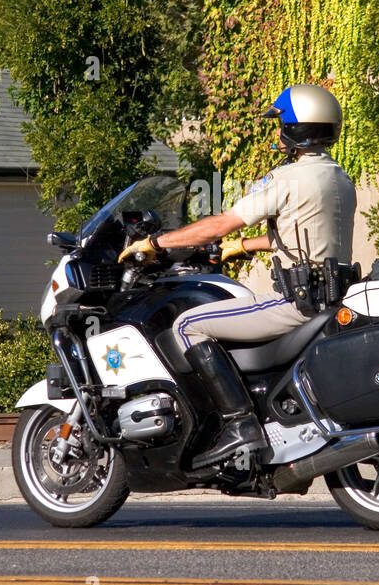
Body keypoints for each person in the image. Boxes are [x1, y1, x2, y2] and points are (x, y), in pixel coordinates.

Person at [118, 84, 356, 468]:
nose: (277, 132)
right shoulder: (339, 178)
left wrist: (157, 243)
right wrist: (243, 247)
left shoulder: (286, 179)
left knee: (185, 326)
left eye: (282, 124)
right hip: (328, 298)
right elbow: (305, 236)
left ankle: (239, 424)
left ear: (295, 129)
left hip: (294, 304)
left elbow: (218, 225)